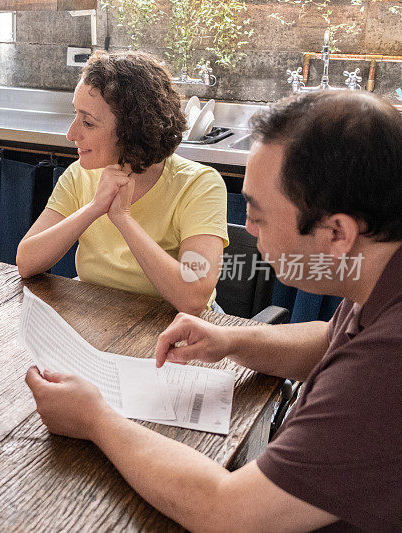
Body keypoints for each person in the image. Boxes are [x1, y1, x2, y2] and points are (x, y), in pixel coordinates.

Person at [25, 90, 402, 532]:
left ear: (337, 232)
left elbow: (228, 512)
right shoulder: (378, 278)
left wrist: (95, 419)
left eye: (259, 213)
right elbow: (329, 340)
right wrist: (230, 339)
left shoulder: (388, 364)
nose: (248, 228)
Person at [16, 50, 229, 315]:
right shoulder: (77, 175)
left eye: (88, 123)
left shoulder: (199, 185)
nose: (71, 133)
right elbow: (26, 262)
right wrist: (94, 207)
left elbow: (194, 298)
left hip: (176, 324)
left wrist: (123, 218)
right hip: (99, 315)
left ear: (132, 130)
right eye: (75, 115)